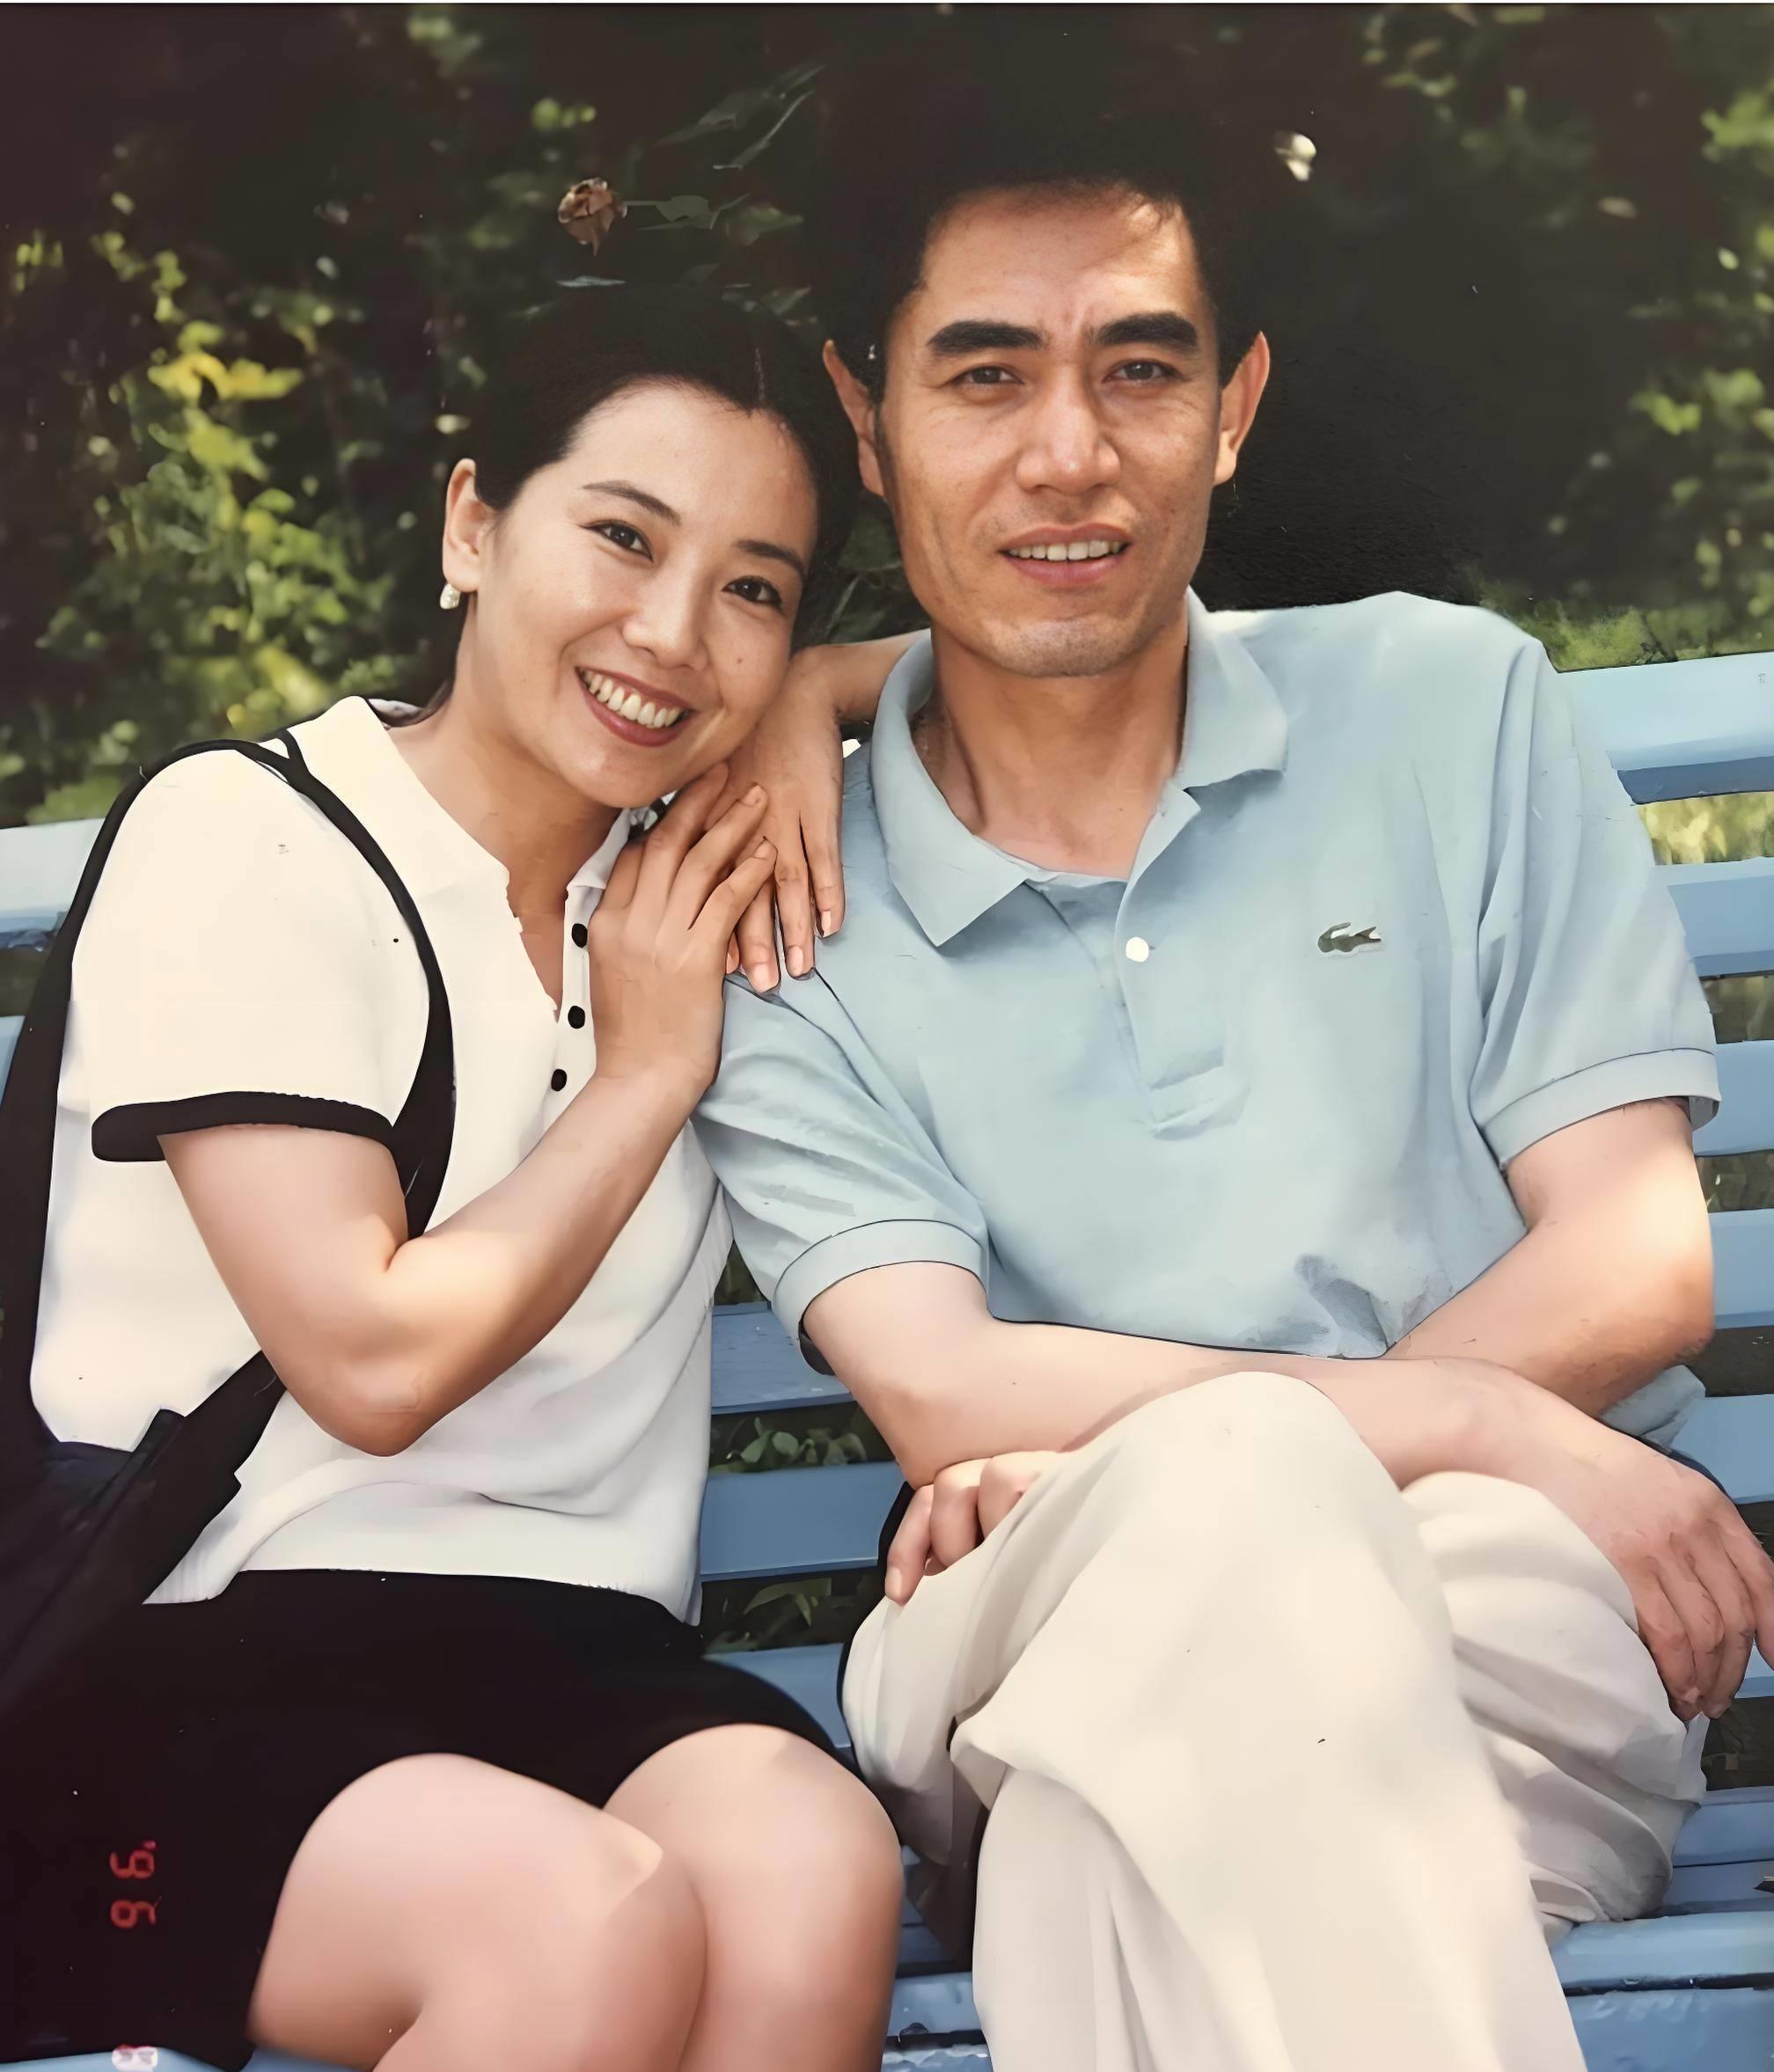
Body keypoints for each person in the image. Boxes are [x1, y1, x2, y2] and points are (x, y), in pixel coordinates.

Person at [693, 40, 1774, 2072]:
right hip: (1023, 1604)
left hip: (1486, 1621)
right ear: (869, 415)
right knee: (1223, 1521)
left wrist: (1185, 1465)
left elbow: (1638, 1260)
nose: (1068, 453)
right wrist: (1493, 1420)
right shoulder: (787, 894)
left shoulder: (1452, 708)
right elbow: (942, 1388)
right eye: (985, 375)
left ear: (1235, 404)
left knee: (1107, 1817)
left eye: (1140, 368)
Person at [0, 285, 905, 2072]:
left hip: (573, 1666)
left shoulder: (705, 865)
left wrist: (819, 689)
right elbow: (373, 1357)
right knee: (574, 1919)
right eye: (623, 538)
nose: (672, 632)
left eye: (753, 590)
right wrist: (644, 1073)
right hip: (180, 1676)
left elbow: (1105, 655)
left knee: (811, 1864)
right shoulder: (251, 837)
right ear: (473, 523)